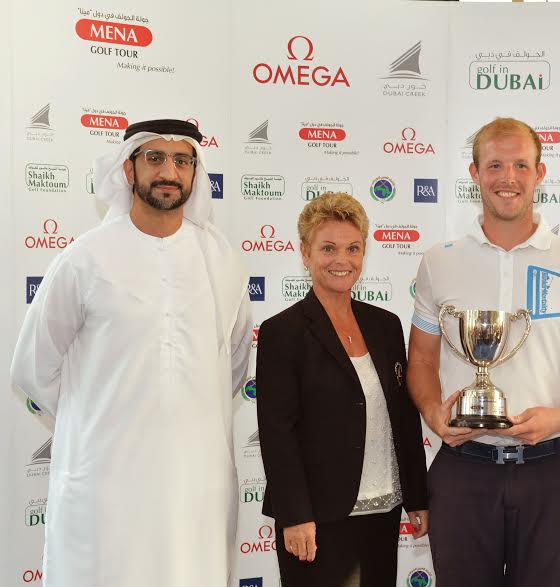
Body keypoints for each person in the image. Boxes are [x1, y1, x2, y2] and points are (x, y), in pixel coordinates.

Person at [10, 119, 252, 586]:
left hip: (194, 483)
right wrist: (99, 421)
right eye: (155, 158)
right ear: (128, 169)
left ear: (195, 174)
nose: (169, 171)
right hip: (106, 484)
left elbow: (234, 364)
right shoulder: (85, 258)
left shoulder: (222, 263)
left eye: (182, 160)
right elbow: (33, 368)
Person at [407, 117, 560, 587]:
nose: (508, 177)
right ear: (474, 173)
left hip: (553, 471)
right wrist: (432, 413)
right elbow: (420, 360)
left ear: (540, 174)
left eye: (521, 165)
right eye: (495, 164)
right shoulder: (439, 261)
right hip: (464, 470)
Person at [256, 192, 429, 587]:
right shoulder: (282, 332)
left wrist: (418, 497)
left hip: (382, 509)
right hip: (316, 519)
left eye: (353, 248)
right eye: (328, 248)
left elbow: (402, 418)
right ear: (305, 253)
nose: (342, 260)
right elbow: (277, 433)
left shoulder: (385, 326)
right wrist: (295, 514)